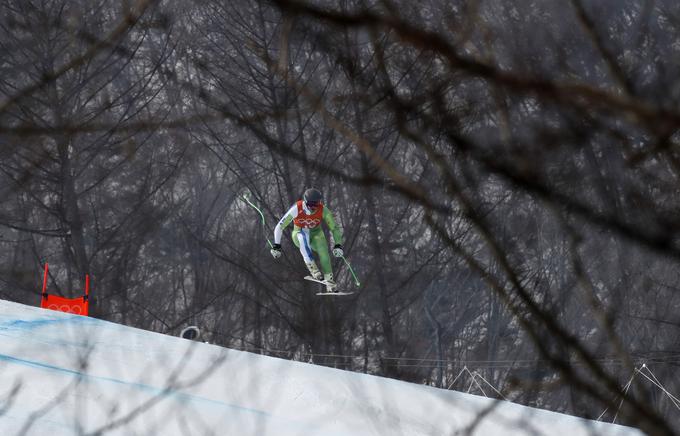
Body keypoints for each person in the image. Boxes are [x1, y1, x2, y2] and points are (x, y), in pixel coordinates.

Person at [270, 188, 344, 292]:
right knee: (302, 238)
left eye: (316, 204)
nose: (314, 207)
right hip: (298, 233)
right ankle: (313, 269)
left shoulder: (323, 210)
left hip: (316, 235)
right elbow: (279, 226)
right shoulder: (297, 208)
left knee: (324, 253)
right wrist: (277, 245)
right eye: (311, 204)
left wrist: (338, 245)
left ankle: (330, 283)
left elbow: (334, 228)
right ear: (305, 202)